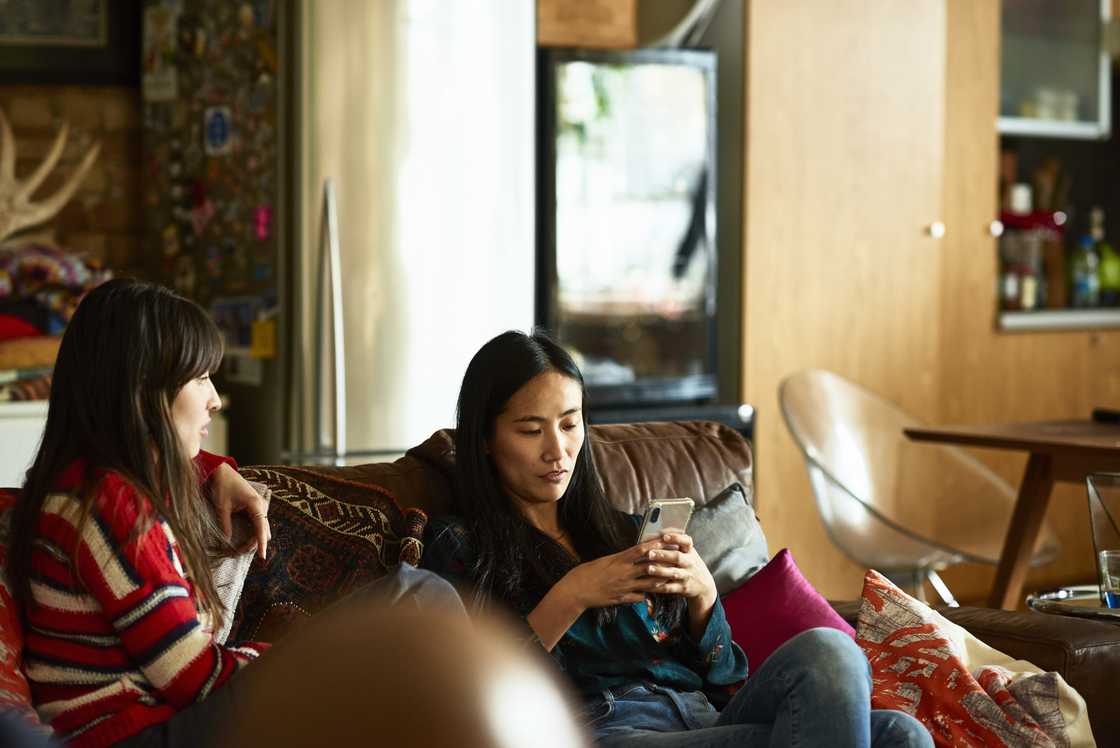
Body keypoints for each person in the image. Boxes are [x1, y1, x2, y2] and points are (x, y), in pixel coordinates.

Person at [6, 279, 469, 747]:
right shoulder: (113, 504)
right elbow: (192, 677)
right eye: (201, 377)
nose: (215, 399)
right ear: (144, 390)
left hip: (144, 726)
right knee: (416, 595)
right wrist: (296, 653)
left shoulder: (82, 485)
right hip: (135, 735)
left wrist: (217, 471)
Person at [423, 330, 933, 748]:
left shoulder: (618, 531)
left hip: (704, 717)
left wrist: (702, 596)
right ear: (486, 439)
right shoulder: (461, 545)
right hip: (607, 730)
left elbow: (724, 674)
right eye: (531, 431)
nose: (557, 451)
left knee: (885, 713)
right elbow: (481, 691)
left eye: (570, 424)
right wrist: (573, 593)